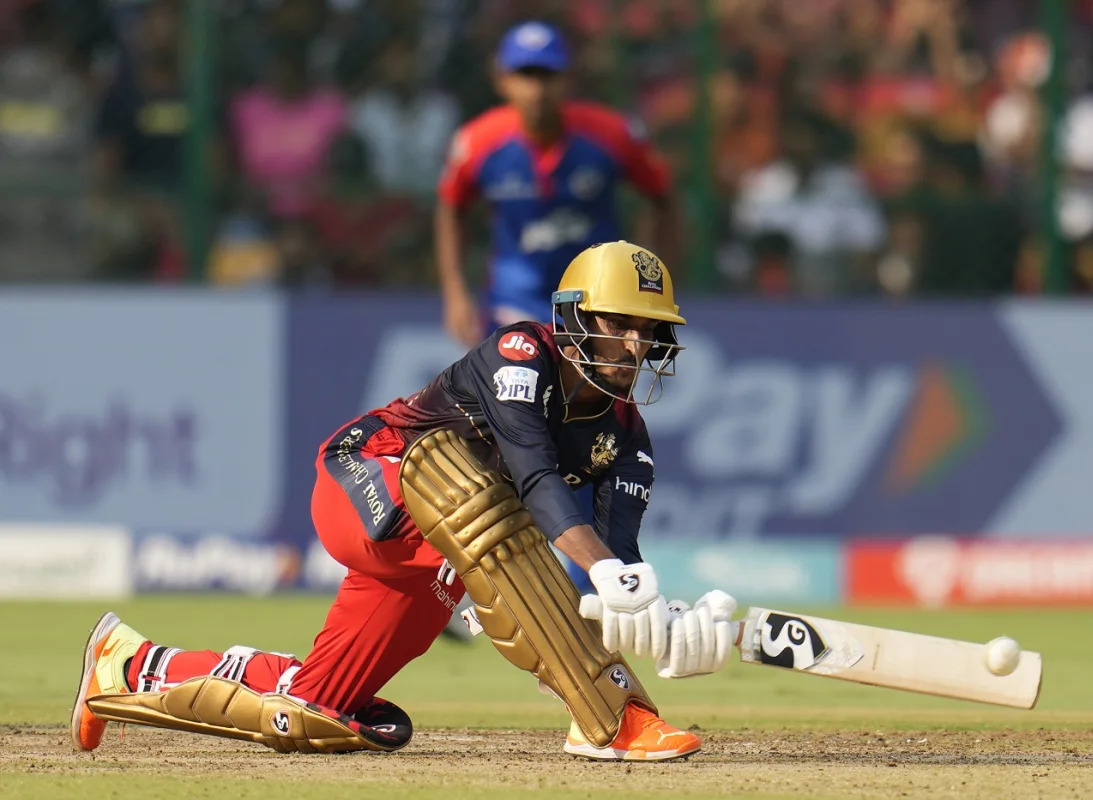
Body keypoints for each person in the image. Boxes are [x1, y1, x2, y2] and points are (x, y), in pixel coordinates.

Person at [71, 241, 734, 762]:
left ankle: (127, 664)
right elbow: (534, 478)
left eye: (648, 330)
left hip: (447, 547)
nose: (633, 346)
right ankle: (614, 720)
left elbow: (616, 560)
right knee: (480, 497)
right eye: (619, 323)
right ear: (574, 316)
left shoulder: (629, 437)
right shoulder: (521, 354)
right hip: (373, 480)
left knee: (318, 709)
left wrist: (655, 617)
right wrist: (565, 585)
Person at [435, 21, 682, 347]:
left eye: (547, 76)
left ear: (567, 79)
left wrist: (651, 282)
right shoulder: (478, 143)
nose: (537, 90)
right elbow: (452, 208)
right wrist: (455, 294)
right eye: (526, 75)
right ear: (502, 80)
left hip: (597, 304)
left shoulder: (612, 135)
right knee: (517, 393)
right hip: (513, 303)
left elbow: (661, 196)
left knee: (598, 396)